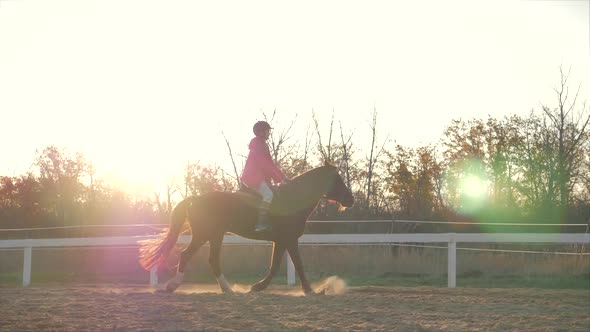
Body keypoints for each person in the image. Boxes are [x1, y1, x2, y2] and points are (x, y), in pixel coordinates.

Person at [240, 120, 288, 232]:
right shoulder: (259, 144)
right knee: (268, 195)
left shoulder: (261, 144)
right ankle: (260, 224)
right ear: (262, 132)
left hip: (258, 177)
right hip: (253, 177)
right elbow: (265, 164)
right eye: (268, 131)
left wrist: (282, 177)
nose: (269, 133)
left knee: (274, 193)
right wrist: (280, 178)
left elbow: (270, 164)